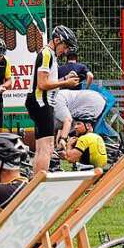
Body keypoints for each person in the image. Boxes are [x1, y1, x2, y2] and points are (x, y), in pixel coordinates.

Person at [25, 25, 79, 176]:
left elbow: (48, 82)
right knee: (47, 148)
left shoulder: (51, 55)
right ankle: (39, 183)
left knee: (42, 147)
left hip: (40, 102)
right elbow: (42, 84)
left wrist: (64, 78)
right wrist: (65, 84)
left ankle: (35, 182)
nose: (66, 50)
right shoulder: (46, 54)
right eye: (65, 46)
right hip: (41, 102)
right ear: (56, 40)